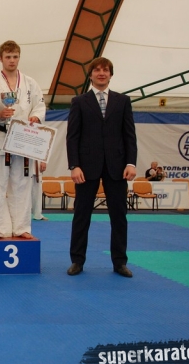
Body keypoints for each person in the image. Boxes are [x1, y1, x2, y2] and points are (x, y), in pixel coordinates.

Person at [66, 57, 137, 278]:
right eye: (97, 70)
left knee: (119, 216)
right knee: (81, 215)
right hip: (86, 167)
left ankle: (120, 262)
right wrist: (74, 165)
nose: (101, 73)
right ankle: (77, 260)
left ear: (110, 74)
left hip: (117, 166)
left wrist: (131, 162)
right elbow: (72, 137)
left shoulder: (123, 101)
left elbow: (129, 135)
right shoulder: (79, 101)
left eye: (105, 70)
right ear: (90, 75)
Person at [0, 40, 46, 239]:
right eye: (8, 57)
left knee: (22, 184)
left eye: (15, 56)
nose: (12, 60)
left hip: (23, 138)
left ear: (19, 58)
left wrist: (36, 117)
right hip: (0, 138)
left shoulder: (30, 83)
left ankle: (21, 227)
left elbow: (39, 105)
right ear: (0, 58)